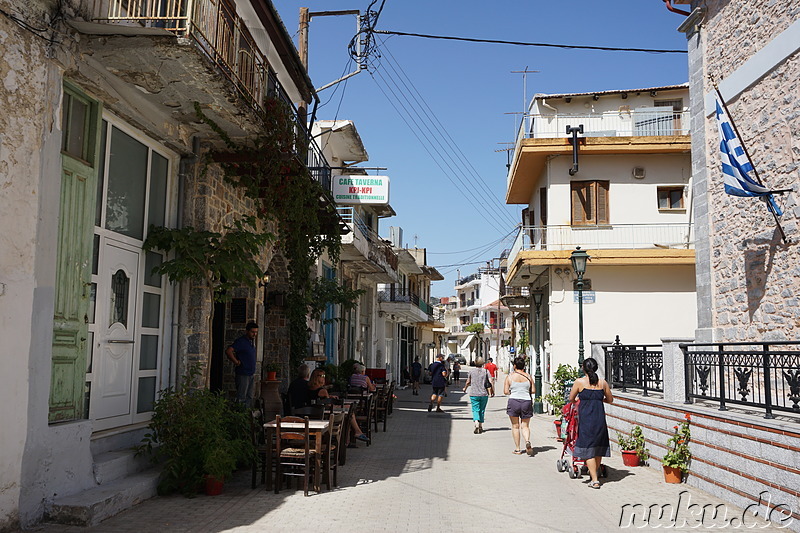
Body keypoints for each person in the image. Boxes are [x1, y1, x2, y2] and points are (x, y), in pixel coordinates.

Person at [568, 357, 614, 488]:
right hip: (599, 418)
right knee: (598, 448)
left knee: (588, 448)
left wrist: (580, 399)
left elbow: (571, 398)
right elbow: (610, 399)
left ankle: (594, 480)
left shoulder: (579, 382)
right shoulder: (603, 383)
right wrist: (599, 400)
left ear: (583, 368)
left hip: (586, 419)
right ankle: (595, 472)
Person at [307, 368, 369, 443]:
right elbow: (328, 405)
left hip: (312, 413)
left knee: (348, 412)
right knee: (349, 411)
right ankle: (352, 435)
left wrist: (329, 396)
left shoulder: (309, 388)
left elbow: (318, 397)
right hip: (324, 415)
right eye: (322, 376)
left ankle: (352, 435)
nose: (324, 378)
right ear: (317, 377)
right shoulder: (323, 391)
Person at [504, 356, 535, 455]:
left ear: (514, 366)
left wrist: (512, 390)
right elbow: (533, 390)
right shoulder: (529, 376)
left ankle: (517, 448)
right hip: (526, 401)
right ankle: (527, 441)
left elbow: (505, 391)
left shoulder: (509, 377)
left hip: (514, 401)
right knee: (525, 426)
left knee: (515, 426)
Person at [225, 321, 258, 407]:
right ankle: (240, 415)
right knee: (242, 396)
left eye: (256, 332)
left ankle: (246, 416)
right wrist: (236, 361)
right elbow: (229, 351)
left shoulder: (251, 342)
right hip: (243, 373)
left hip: (251, 373)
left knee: (250, 396)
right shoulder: (241, 341)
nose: (254, 334)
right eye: (252, 332)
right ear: (247, 331)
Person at [462, 357, 491, 434]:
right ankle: (481, 426)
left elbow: (468, 381)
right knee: (482, 410)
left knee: (475, 409)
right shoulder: (486, 371)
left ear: (475, 363)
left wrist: (465, 388)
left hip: (474, 394)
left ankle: (476, 424)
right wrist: (492, 391)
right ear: (483, 363)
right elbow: (490, 382)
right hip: (484, 394)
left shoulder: (471, 371)